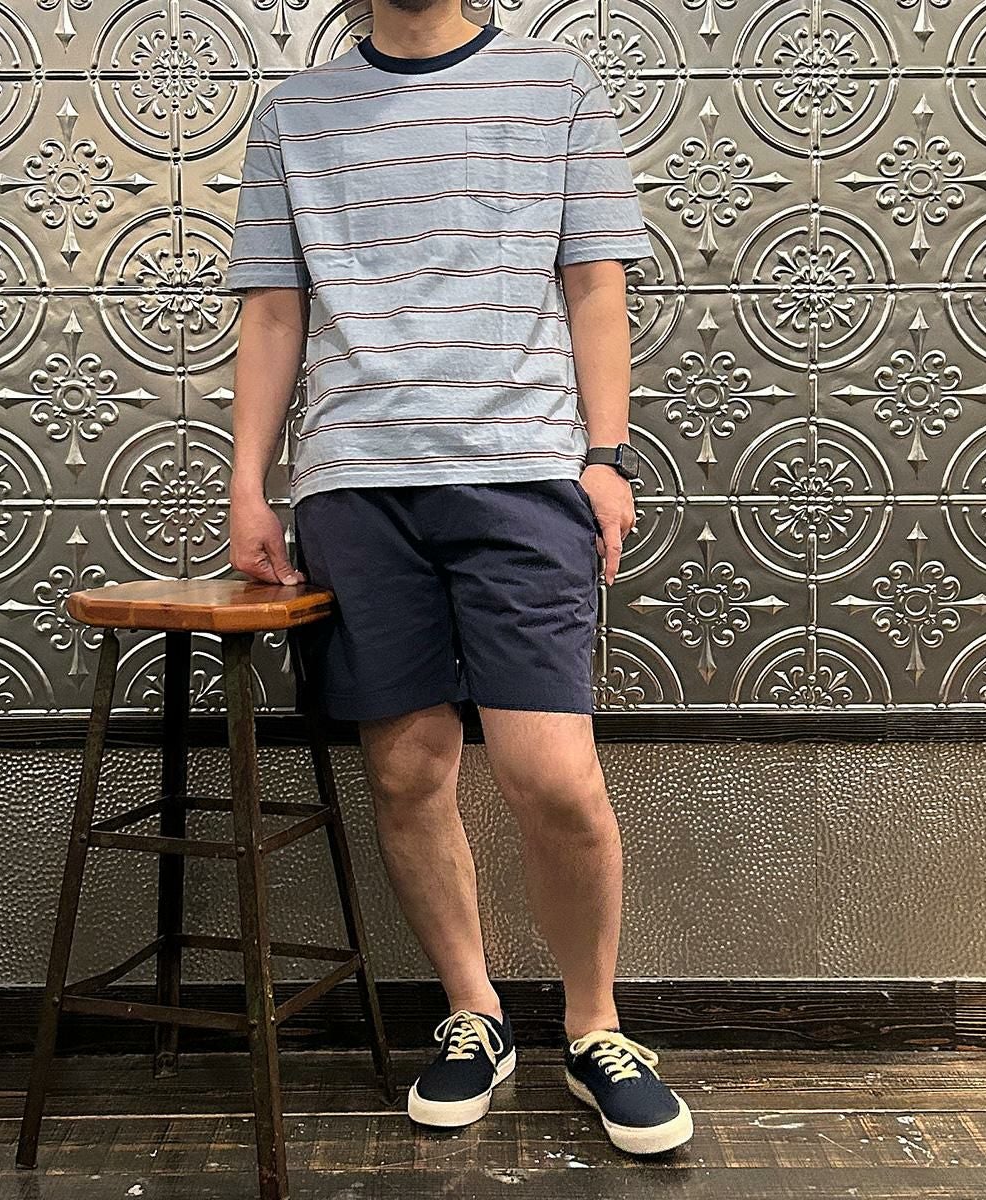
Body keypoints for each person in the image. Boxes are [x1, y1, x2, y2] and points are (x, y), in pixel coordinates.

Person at [224, 0, 693, 1157]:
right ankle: (474, 1011)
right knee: (407, 768)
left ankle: (595, 1027)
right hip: (357, 484)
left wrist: (605, 453)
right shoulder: (295, 114)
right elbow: (274, 311)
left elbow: (595, 284)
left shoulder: (557, 85)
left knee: (553, 777)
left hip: (524, 475)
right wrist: (247, 484)